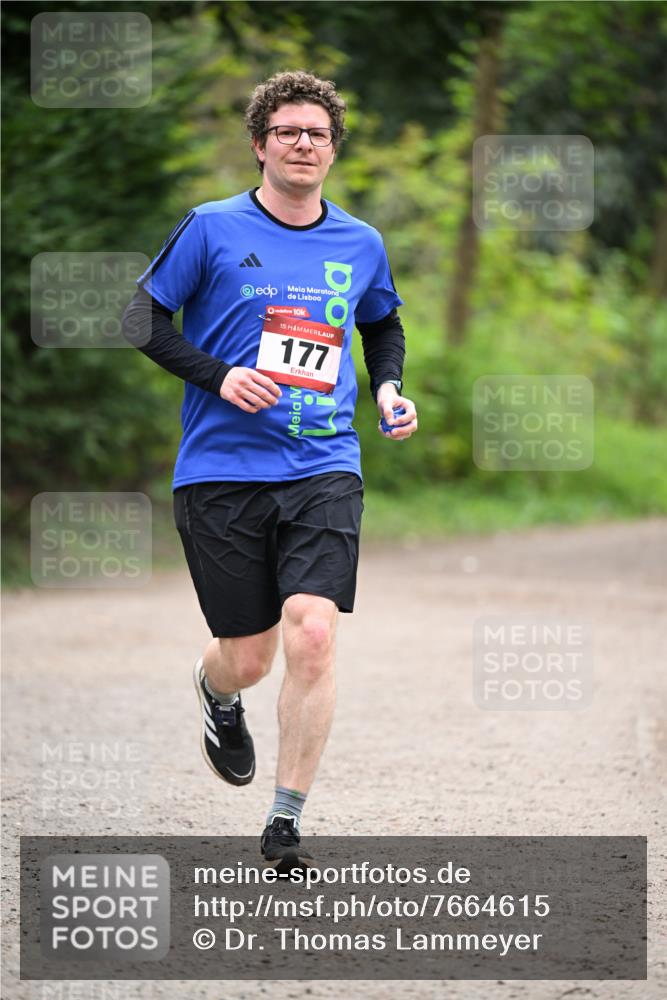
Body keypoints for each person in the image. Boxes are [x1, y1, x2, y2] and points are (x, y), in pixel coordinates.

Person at [123, 70, 418, 866]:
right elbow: (140, 317)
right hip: (220, 469)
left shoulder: (359, 242)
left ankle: (284, 821)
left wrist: (388, 387)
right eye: (286, 131)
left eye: (316, 133)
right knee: (249, 656)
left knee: (313, 631)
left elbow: (381, 323)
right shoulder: (212, 229)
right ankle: (218, 692)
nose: (302, 143)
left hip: (323, 461)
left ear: (332, 149)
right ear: (260, 145)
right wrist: (218, 374)